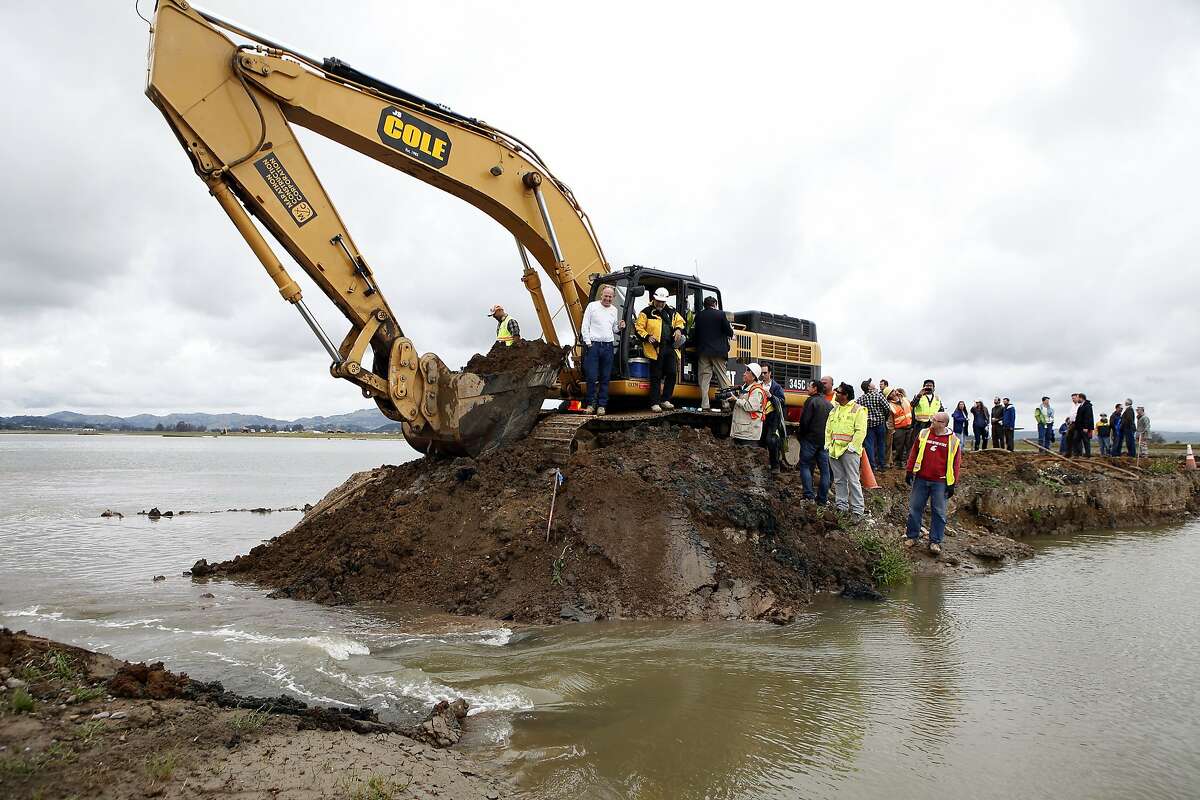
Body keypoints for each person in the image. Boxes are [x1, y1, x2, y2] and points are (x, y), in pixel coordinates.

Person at [903, 411, 962, 556]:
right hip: (921, 478)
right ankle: (912, 536)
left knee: (939, 512)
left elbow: (956, 464)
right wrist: (909, 470)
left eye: (935, 420)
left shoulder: (953, 441)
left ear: (943, 424)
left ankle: (935, 541)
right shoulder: (924, 433)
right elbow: (914, 452)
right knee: (914, 508)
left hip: (940, 482)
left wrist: (952, 483)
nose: (932, 422)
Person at [634, 288, 686, 412]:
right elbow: (638, 328)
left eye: (662, 302)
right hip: (655, 348)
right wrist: (647, 336)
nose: (660, 304)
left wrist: (678, 329)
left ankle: (666, 399)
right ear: (654, 299)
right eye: (658, 301)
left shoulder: (672, 312)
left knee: (672, 373)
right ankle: (655, 402)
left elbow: (680, 322)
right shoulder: (646, 312)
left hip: (670, 347)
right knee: (656, 376)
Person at [579, 286, 625, 415]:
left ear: (613, 298)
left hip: (608, 346)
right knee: (592, 377)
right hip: (593, 346)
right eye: (606, 296)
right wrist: (588, 343)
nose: (608, 298)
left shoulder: (614, 310)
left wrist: (620, 327)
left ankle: (602, 406)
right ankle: (590, 404)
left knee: (605, 377)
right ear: (601, 295)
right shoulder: (592, 306)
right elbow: (585, 325)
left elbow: (614, 329)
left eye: (610, 297)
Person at [825, 382, 867, 517]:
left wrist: (852, 447)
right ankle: (841, 506)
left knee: (853, 480)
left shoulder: (858, 409)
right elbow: (828, 429)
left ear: (845, 395)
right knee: (839, 480)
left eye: (838, 392)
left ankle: (857, 510)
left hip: (849, 452)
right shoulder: (834, 410)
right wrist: (828, 444)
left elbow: (861, 431)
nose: (836, 394)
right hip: (834, 450)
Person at [691, 295, 734, 412]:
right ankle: (725, 404)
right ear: (715, 304)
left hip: (703, 351)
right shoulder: (720, 314)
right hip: (718, 352)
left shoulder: (699, 316)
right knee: (721, 377)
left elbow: (695, 333)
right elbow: (729, 331)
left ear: (705, 305)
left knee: (704, 378)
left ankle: (705, 405)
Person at [798, 379, 833, 503]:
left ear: (815, 389)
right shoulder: (829, 404)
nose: (807, 388)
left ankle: (808, 495)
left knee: (805, 465)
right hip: (824, 442)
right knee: (825, 471)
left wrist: (801, 435)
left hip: (810, 440)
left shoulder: (810, 401)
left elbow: (804, 421)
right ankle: (822, 499)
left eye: (809, 386)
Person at [730, 362, 770, 448]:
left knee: (747, 459)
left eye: (747, 372)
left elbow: (750, 406)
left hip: (748, 435)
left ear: (753, 376)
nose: (744, 374)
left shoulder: (756, 390)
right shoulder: (746, 388)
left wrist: (736, 400)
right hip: (741, 432)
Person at [858, 379, 891, 472]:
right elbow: (887, 408)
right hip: (880, 423)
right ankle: (881, 464)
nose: (873, 383)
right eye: (870, 383)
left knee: (869, 445)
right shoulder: (879, 396)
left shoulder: (860, 399)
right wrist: (884, 417)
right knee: (881, 444)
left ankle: (872, 466)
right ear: (869, 387)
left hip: (868, 425)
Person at [759, 365, 787, 470]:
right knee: (760, 441)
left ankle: (775, 466)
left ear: (770, 373)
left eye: (765, 373)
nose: (763, 375)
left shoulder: (776, 387)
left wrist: (771, 396)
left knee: (772, 441)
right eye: (761, 373)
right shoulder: (758, 385)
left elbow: (782, 402)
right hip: (761, 418)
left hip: (772, 418)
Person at [888, 388, 914, 467]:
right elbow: (890, 419)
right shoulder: (890, 405)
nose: (893, 393)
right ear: (888, 396)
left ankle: (906, 462)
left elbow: (912, 410)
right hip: (899, 428)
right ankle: (899, 462)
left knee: (909, 446)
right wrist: (892, 430)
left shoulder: (905, 400)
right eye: (891, 393)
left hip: (909, 426)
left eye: (893, 391)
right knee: (900, 447)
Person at [1069, 392, 1094, 457]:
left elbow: (1088, 417)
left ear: (1081, 398)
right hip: (1079, 427)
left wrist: (1086, 427)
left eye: (1078, 398)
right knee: (1075, 440)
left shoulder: (1088, 406)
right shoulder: (1081, 405)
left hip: (1084, 427)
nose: (1077, 400)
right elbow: (1078, 417)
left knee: (1086, 441)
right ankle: (1077, 454)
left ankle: (1088, 455)